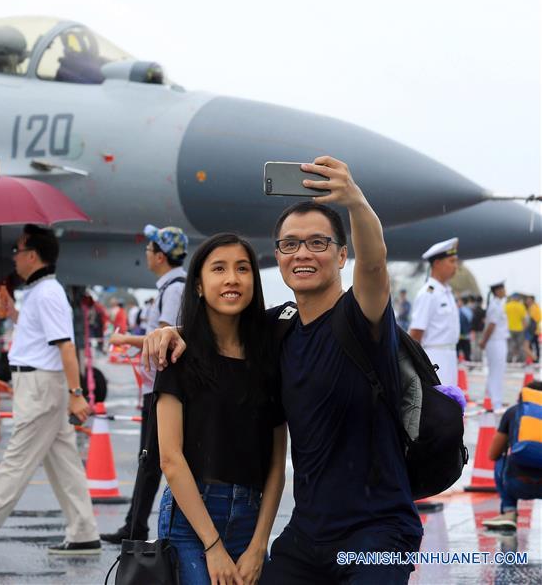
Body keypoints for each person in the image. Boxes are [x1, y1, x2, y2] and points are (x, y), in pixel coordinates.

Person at [143, 157, 423, 584]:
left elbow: (373, 265)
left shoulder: (362, 318)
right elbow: (226, 324)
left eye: (318, 243)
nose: (303, 253)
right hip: (306, 536)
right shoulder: (280, 327)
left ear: (342, 254)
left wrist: (357, 202)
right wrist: (174, 331)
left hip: (377, 533)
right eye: (290, 244)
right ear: (278, 256)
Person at [0, 224, 100, 556]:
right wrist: (12, 313)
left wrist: (76, 393)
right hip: (38, 382)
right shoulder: (39, 291)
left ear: (32, 256)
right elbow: (41, 338)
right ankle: (84, 532)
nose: (14, 257)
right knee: (64, 463)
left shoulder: (47, 293)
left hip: (40, 386)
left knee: (16, 460)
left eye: (18, 251)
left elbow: (66, 347)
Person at [153, 232, 286, 585]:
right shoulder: (178, 357)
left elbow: (276, 464)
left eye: (243, 269)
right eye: (219, 269)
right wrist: (212, 546)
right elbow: (170, 458)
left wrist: (260, 544)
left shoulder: (268, 360)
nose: (232, 278)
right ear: (198, 286)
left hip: (251, 518)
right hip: (191, 520)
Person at [100, 224, 188, 544]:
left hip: (161, 388)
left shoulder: (174, 288)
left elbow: (162, 338)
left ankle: (136, 528)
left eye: (150, 250)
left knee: (151, 461)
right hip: (154, 387)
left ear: (161, 256)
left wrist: (125, 338)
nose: (146, 255)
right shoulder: (169, 287)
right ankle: (134, 524)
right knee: (148, 460)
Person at [482, 381, 542, 530]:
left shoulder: (513, 412)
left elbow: (492, 453)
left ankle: (509, 512)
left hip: (518, 483)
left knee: (500, 459)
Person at [408, 238, 460, 387]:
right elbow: (416, 333)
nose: (455, 266)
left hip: (450, 355)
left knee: (451, 402)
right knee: (439, 403)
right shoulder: (428, 294)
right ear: (437, 263)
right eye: (451, 261)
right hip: (434, 357)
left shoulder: (446, 292)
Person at [480, 281, 508, 412]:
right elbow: (491, 325)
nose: (505, 291)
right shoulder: (495, 306)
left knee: (497, 371)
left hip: (498, 341)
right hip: (495, 341)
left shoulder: (498, 304)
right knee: (496, 372)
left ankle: (490, 398)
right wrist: (484, 341)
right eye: (503, 289)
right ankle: (496, 402)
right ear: (497, 291)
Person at [505, 294, 529, 362]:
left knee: (510, 345)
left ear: (512, 298)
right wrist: (525, 328)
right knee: (521, 345)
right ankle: (520, 359)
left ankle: (508, 359)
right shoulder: (521, 306)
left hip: (509, 329)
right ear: (518, 298)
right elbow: (524, 319)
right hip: (520, 329)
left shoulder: (507, 306)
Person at [457, 295, 474, 361]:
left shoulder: (458, 310)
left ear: (462, 302)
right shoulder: (469, 311)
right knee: (467, 353)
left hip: (459, 336)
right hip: (467, 335)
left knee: (457, 352)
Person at [526, 295, 540, 361]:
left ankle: (534, 359)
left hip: (533, 329)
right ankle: (535, 358)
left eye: (528, 299)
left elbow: (532, 318)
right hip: (535, 329)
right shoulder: (535, 306)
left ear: (532, 300)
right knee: (534, 345)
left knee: (531, 345)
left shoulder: (533, 307)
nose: (527, 301)